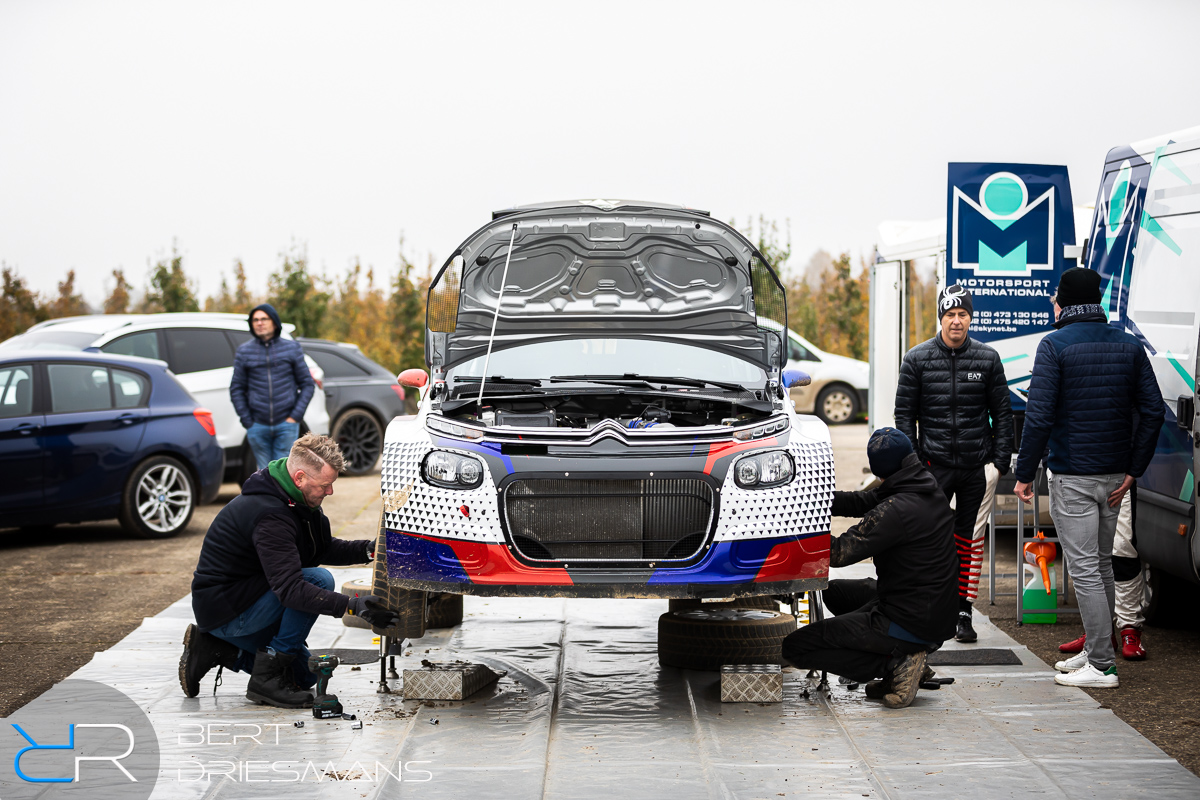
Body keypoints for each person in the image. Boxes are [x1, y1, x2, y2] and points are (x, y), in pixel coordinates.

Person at [1013, 267, 1163, 688]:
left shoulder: (1054, 345)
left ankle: (1101, 665)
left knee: (1085, 570)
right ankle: (1097, 649)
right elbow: (1152, 412)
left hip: (1074, 477)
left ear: (1062, 301)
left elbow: (1039, 417)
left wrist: (1024, 474)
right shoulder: (1129, 346)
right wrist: (1135, 468)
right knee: (1101, 566)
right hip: (1116, 478)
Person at [179, 434, 399, 707]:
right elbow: (291, 590)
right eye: (325, 485)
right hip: (228, 611)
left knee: (303, 674)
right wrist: (353, 606)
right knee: (318, 579)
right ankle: (265, 679)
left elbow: (318, 548)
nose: (330, 492)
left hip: (248, 597)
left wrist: (368, 549)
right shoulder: (270, 515)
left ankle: (217, 650)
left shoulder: (295, 500)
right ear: (299, 478)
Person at [782, 428, 958, 709]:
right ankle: (909, 654)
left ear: (878, 470)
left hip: (911, 619)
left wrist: (788, 531)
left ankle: (896, 662)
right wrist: (810, 497)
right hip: (934, 611)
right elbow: (863, 501)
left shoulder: (895, 510)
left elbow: (838, 553)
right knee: (835, 592)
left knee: (796, 647)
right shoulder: (924, 485)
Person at [894, 284, 1013, 644]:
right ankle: (927, 606)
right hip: (934, 467)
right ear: (941, 318)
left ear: (970, 318)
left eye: (963, 314)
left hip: (978, 468)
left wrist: (999, 464)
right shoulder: (917, 358)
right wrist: (915, 465)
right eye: (950, 315)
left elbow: (1002, 414)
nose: (956, 321)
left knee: (970, 540)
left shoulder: (988, 358)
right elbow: (904, 416)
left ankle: (963, 610)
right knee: (927, 538)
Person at [1058, 487, 1149, 660]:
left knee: (1123, 549)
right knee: (1086, 554)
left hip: (1117, 478)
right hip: (1078, 476)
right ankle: (1099, 634)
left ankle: (1130, 629)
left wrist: (1132, 473)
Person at [231, 303, 315, 471]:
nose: (259, 323)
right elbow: (236, 389)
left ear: (274, 322)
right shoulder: (244, 351)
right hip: (257, 425)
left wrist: (295, 417)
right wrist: (247, 420)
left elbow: (307, 384)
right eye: (255, 320)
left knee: (283, 472)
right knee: (264, 472)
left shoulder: (291, 348)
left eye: (264, 319)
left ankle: (282, 499)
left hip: (286, 424)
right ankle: (270, 498)